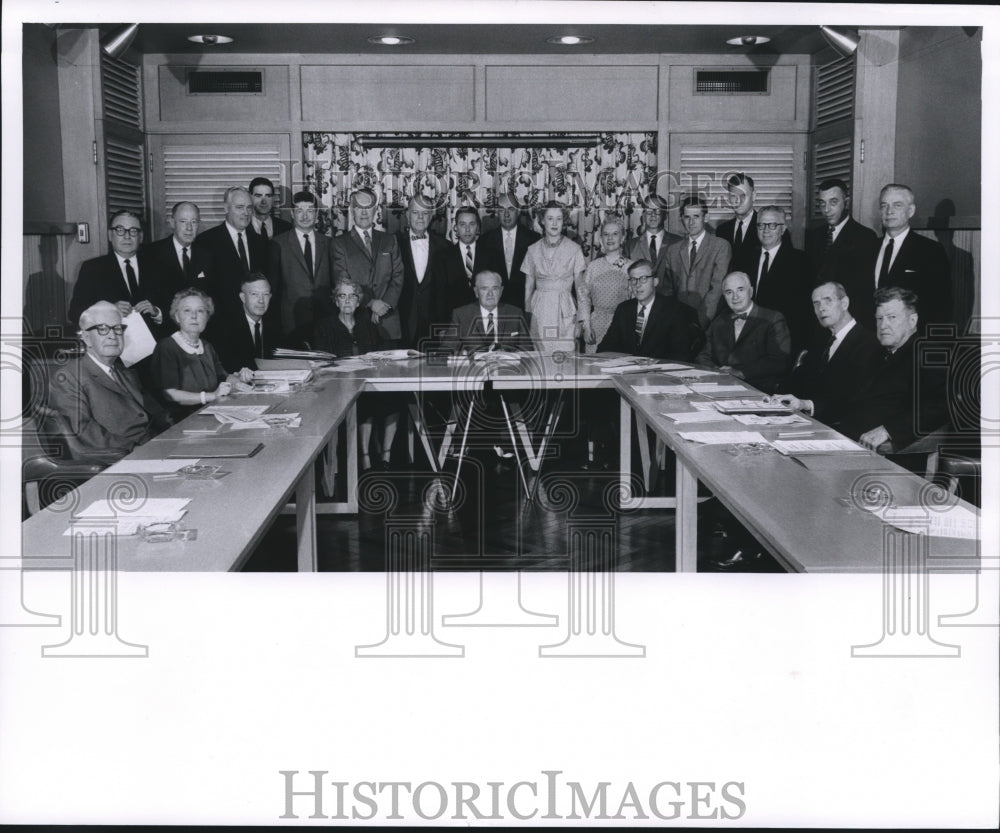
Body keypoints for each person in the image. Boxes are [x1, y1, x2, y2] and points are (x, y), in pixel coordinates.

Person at [48, 301, 169, 465]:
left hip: (159, 446)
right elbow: (84, 432)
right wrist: (136, 450)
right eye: (102, 329)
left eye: (118, 329)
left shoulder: (124, 371)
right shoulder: (68, 376)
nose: (113, 336)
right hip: (123, 459)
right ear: (87, 338)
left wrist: (176, 435)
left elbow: (158, 414)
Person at [836, 287, 949, 453]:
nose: (883, 325)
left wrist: (889, 430)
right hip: (847, 440)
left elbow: (939, 406)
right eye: (879, 318)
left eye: (892, 317)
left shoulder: (929, 353)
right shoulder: (876, 354)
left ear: (912, 320)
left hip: (891, 454)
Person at [313, 279, 401, 471]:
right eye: (342, 296)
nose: (347, 301)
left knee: (394, 400)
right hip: (337, 386)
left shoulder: (367, 326)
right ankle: (364, 456)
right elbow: (321, 361)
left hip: (367, 382)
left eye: (352, 296)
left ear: (358, 301)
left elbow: (378, 354)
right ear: (336, 301)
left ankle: (386, 456)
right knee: (365, 405)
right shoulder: (324, 326)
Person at [777, 281, 881, 429]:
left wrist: (806, 404)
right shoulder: (822, 341)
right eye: (816, 303)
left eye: (828, 301)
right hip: (807, 422)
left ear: (844, 303)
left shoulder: (869, 343)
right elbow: (799, 379)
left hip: (842, 428)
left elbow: (852, 397)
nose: (821, 308)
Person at [862, 183, 953, 332]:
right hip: (870, 338)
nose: (889, 211)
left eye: (897, 205)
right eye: (884, 205)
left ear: (910, 211)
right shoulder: (867, 249)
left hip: (911, 338)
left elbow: (940, 307)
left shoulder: (931, 251)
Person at [150, 288, 252, 419]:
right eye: (187, 310)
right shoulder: (167, 347)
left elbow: (223, 378)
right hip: (179, 419)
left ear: (207, 317)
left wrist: (241, 379)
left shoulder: (207, 346)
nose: (194, 316)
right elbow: (170, 394)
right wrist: (211, 396)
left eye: (200, 311)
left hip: (212, 412)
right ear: (177, 317)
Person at [67, 210, 166, 336]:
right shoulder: (93, 269)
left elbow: (171, 308)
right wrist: (109, 310)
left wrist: (156, 312)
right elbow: (75, 313)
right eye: (120, 230)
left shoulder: (158, 266)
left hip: (155, 343)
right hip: (112, 342)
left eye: (133, 231)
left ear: (141, 237)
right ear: (110, 235)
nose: (127, 236)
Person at [330, 188, 404, 345]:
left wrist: (385, 304)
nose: (364, 212)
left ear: (375, 210)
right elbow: (342, 281)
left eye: (368, 207)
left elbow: (398, 275)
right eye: (359, 207)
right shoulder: (339, 243)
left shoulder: (390, 240)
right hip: (357, 322)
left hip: (389, 323)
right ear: (352, 210)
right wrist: (371, 303)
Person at [696, 271, 791, 393]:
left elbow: (779, 362)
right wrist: (717, 372)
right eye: (729, 292)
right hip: (719, 386)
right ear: (724, 296)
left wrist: (740, 372)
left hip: (758, 389)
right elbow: (703, 356)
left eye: (740, 290)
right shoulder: (720, 320)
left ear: (751, 291)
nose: (735, 297)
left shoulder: (773, 318)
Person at [736, 205, 812, 354]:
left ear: (783, 229)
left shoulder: (801, 261)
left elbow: (804, 311)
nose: (765, 230)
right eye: (761, 225)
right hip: (747, 340)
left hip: (783, 341)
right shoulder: (744, 259)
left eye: (772, 225)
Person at [195, 186, 269, 324]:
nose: (246, 213)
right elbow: (202, 290)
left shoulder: (261, 242)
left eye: (249, 207)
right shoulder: (205, 242)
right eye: (240, 207)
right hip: (221, 322)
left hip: (255, 322)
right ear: (226, 208)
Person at [522, 201, 587, 352]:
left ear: (564, 221)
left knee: (565, 355)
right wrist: (527, 317)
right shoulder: (532, 250)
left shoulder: (574, 249)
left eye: (559, 218)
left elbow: (580, 288)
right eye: (550, 218)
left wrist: (581, 318)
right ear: (542, 220)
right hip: (539, 310)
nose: (554, 223)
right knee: (540, 355)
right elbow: (528, 287)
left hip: (565, 311)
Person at [270, 190, 334, 342]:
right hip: (291, 320)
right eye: (299, 211)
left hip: (324, 318)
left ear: (316, 214)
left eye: (310, 211)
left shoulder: (329, 243)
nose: (305, 216)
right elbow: (273, 288)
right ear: (292, 214)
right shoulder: (278, 243)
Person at [596, 259, 691, 360]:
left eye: (643, 279)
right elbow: (605, 348)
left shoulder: (675, 311)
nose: (637, 285)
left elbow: (681, 355)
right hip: (627, 368)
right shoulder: (623, 309)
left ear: (655, 282)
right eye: (633, 280)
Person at [803, 179, 878, 301]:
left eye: (833, 202)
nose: (826, 210)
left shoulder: (865, 237)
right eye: (822, 203)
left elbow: (864, 288)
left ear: (846, 203)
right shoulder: (814, 235)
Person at [665, 196, 731, 329]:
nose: (691, 222)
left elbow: (717, 289)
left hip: (710, 323)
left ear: (706, 218)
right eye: (687, 217)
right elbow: (668, 290)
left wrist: (699, 323)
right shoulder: (673, 250)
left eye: (696, 216)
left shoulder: (720, 246)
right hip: (678, 323)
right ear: (681, 219)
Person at [395, 195, 450, 349]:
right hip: (401, 323)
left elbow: (448, 291)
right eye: (415, 212)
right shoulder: (393, 243)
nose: (420, 217)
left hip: (433, 324)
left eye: (425, 213)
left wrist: (445, 325)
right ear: (407, 215)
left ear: (431, 216)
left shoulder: (445, 246)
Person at [144, 202, 212, 321]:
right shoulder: (151, 253)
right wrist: (157, 313)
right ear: (172, 223)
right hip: (164, 327)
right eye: (183, 221)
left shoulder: (207, 255)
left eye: (194, 222)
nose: (189, 228)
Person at [441, 270, 532, 356]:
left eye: (495, 288)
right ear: (476, 292)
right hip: (473, 366)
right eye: (484, 289)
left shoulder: (515, 313)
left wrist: (509, 355)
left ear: (501, 291)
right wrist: (466, 355)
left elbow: (528, 350)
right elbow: (446, 350)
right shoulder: (461, 315)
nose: (490, 294)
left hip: (507, 366)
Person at [578, 216, 634, 353]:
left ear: (622, 238)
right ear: (601, 238)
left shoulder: (630, 267)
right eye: (606, 234)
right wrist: (586, 327)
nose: (610, 238)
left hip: (622, 324)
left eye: (615, 234)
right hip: (596, 326)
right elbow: (583, 298)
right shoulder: (593, 266)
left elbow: (635, 300)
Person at [478, 192, 541, 310]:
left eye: (511, 209)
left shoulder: (534, 239)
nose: (506, 214)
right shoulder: (484, 241)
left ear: (518, 211)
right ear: (497, 212)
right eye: (502, 209)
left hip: (525, 306)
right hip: (494, 307)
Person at [212, 275, 280, 374]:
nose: (261, 300)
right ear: (243, 297)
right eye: (254, 294)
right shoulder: (225, 329)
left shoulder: (275, 325)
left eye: (265, 294)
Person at [433, 206, 491, 312]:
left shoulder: (491, 255)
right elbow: (439, 297)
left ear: (478, 227)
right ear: (456, 228)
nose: (467, 229)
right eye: (462, 224)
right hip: (452, 317)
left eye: (472, 224)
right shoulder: (443, 257)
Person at [624, 197, 682, 285]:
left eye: (657, 211)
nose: (653, 215)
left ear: (665, 215)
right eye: (649, 211)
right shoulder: (630, 245)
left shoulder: (679, 243)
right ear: (643, 215)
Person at [715, 173, 759, 268]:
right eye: (733, 196)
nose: (738, 201)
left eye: (743, 195)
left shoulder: (767, 228)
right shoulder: (721, 231)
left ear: (754, 196)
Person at [246, 176, 292, 244]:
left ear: (273, 198)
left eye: (268, 196)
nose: (264, 201)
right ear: (249, 197)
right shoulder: (242, 227)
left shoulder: (287, 228)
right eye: (258, 196)